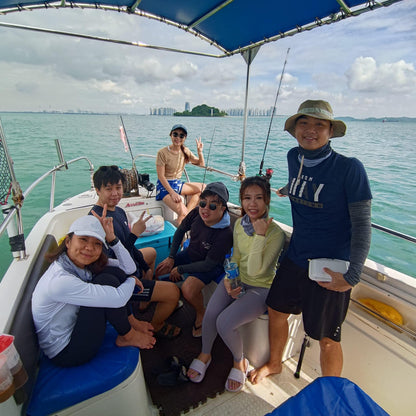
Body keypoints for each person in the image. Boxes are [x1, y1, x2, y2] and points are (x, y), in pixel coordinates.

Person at [249, 99, 372, 384]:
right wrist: (288, 189)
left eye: (319, 124)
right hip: (295, 257)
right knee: (276, 310)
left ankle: (329, 392)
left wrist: (352, 276)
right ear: (295, 129)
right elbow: (305, 183)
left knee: (327, 337)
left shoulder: (350, 168)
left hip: (330, 268)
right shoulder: (295, 157)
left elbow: (363, 226)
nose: (311, 130)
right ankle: (276, 363)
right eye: (304, 123)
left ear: (330, 130)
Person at [186, 176, 285, 392]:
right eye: (247, 198)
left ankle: (239, 361)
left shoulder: (275, 233)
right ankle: (205, 353)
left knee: (224, 322)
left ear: (267, 200)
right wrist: (229, 279)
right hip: (237, 278)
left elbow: (259, 270)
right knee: (211, 313)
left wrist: (260, 235)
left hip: (261, 289)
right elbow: (235, 257)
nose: (252, 203)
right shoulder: (239, 224)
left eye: (258, 198)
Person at [32, 214, 156, 367]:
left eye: (97, 244)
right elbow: (118, 298)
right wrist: (131, 281)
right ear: (68, 242)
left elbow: (129, 268)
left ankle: (131, 321)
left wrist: (112, 238)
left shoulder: (78, 262)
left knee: (113, 274)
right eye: (83, 239)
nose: (89, 248)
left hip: (77, 324)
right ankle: (127, 335)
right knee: (106, 282)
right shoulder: (59, 281)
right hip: (67, 352)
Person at [91, 165, 181, 339]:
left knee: (151, 253)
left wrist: (144, 267)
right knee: (173, 293)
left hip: (130, 264)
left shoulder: (118, 211)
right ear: (97, 190)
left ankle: (142, 303)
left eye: (118, 188)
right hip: (119, 277)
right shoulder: (96, 221)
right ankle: (156, 325)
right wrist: (134, 234)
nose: (115, 193)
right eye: (108, 189)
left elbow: (129, 248)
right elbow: (112, 259)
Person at [155, 182, 233, 338]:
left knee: (188, 290)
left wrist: (181, 269)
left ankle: (201, 312)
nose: (205, 209)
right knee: (160, 269)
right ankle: (172, 299)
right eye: (203, 203)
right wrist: (171, 258)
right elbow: (180, 232)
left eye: (212, 206)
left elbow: (208, 264)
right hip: (191, 254)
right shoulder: (196, 212)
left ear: (222, 209)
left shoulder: (225, 234)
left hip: (211, 265)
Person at [156, 124, 205, 225]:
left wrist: (200, 152)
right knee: (182, 213)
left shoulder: (185, 151)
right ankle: (179, 239)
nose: (178, 138)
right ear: (171, 135)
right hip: (164, 186)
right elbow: (161, 176)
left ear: (185, 138)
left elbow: (201, 164)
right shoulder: (162, 153)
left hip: (177, 184)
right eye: (175, 134)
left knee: (204, 188)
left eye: (181, 136)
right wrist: (172, 193)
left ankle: (188, 214)